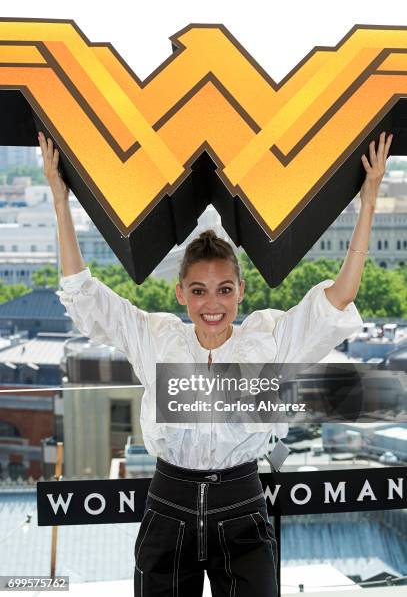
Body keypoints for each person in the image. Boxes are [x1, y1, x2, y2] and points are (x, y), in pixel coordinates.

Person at [39, 129, 392, 597]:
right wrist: (60, 200)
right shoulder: (156, 338)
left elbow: (339, 297)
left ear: (240, 292)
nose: (213, 303)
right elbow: (82, 292)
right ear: (181, 292)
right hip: (168, 508)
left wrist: (368, 202)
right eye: (200, 290)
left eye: (225, 289)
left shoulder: (268, 340)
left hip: (242, 509)